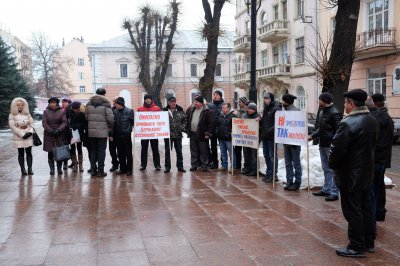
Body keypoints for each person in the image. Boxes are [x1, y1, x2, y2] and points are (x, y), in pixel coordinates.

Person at [329, 89, 379, 257]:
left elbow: (337, 150)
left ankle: (356, 246)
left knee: (353, 211)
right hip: (366, 172)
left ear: (351, 104)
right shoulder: (372, 120)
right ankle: (368, 242)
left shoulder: (348, 123)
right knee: (366, 207)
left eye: (346, 103)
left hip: (350, 175)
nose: (345, 106)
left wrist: (332, 164)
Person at [309, 92, 342, 201]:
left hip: (330, 145)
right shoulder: (323, 111)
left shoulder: (335, 112)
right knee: (326, 168)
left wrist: (331, 140)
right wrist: (312, 136)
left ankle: (334, 192)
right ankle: (326, 189)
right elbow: (321, 128)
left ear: (324, 101)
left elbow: (338, 131)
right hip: (323, 144)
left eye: (320, 100)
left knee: (332, 169)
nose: (319, 102)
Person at [369, 93, 394, 231]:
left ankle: (372, 215)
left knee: (372, 188)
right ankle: (379, 211)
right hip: (383, 158)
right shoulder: (388, 118)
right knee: (379, 186)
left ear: (373, 103)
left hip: (374, 158)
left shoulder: (374, 119)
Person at [85, 88, 114, 178]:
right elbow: (110, 119)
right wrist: (110, 127)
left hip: (91, 132)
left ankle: (93, 170)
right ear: (104, 94)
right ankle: (100, 171)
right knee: (101, 151)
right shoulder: (106, 104)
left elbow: (86, 117)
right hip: (102, 132)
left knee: (93, 150)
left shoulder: (88, 104)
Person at [186, 95, 214, 171]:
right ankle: (194, 165)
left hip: (202, 134)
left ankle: (204, 165)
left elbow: (211, 123)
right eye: (194, 102)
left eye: (196, 102)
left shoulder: (207, 110)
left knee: (203, 150)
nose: (195, 103)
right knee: (193, 150)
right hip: (193, 133)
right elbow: (187, 116)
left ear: (201, 103)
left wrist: (208, 133)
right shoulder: (192, 109)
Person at [8, 97, 35, 175]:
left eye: (22, 105)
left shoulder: (27, 114)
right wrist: (22, 134)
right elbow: (12, 126)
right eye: (18, 105)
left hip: (28, 135)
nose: (20, 106)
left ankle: (30, 168)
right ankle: (23, 169)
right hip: (19, 137)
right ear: (15, 106)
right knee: (21, 153)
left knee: (29, 152)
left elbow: (32, 123)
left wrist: (30, 132)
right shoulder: (12, 115)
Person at [42, 97, 68, 175]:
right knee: (50, 152)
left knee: (59, 152)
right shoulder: (46, 112)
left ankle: (59, 169)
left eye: (54, 102)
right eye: (51, 103)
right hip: (49, 135)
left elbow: (64, 122)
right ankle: (52, 169)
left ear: (57, 103)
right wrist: (51, 130)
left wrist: (59, 130)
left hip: (59, 135)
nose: (52, 104)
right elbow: (44, 123)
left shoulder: (61, 112)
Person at [282, 94, 302, 191]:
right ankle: (289, 180)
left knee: (296, 163)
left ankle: (297, 182)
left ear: (287, 102)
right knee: (288, 162)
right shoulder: (283, 112)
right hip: (286, 141)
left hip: (294, 142)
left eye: (283, 101)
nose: (282, 103)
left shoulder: (296, 112)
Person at [260, 92, 281, 183]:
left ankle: (273, 174)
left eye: (267, 98)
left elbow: (278, 123)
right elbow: (265, 120)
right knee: (266, 155)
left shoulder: (276, 109)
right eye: (264, 98)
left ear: (271, 99)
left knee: (272, 156)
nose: (265, 100)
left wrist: (269, 130)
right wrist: (260, 120)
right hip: (265, 136)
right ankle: (268, 172)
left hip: (272, 137)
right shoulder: (265, 108)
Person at [163, 96, 187, 173]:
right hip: (168, 135)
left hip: (178, 134)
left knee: (179, 152)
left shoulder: (180, 110)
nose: (173, 103)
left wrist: (181, 127)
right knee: (167, 152)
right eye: (172, 102)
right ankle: (167, 167)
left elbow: (185, 120)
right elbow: (160, 122)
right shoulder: (164, 111)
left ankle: (180, 166)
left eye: (174, 101)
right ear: (169, 103)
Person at [137, 94, 161, 171]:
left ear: (151, 99)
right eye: (146, 99)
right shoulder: (140, 109)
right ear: (144, 100)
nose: (147, 100)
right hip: (144, 133)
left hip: (154, 133)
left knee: (155, 149)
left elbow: (161, 119)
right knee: (144, 149)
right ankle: (143, 165)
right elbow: (137, 120)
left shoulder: (157, 108)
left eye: (149, 98)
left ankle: (157, 164)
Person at [113, 97, 134, 176]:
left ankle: (129, 169)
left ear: (121, 104)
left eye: (116, 104)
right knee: (120, 153)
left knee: (128, 153)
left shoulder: (129, 111)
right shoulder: (115, 111)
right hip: (118, 135)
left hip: (126, 135)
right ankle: (122, 168)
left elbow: (133, 122)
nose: (115, 105)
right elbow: (114, 124)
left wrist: (129, 129)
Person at [242, 102, 260, 177]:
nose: (248, 110)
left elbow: (260, 127)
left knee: (253, 155)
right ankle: (247, 168)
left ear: (254, 110)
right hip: (246, 138)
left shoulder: (258, 116)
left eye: (250, 109)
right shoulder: (245, 115)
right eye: (248, 108)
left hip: (254, 139)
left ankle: (254, 170)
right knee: (246, 154)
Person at [207, 90, 225, 169]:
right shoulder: (210, 105)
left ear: (220, 96)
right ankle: (214, 163)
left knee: (222, 147)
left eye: (217, 94)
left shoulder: (224, 105)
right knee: (213, 147)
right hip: (213, 129)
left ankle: (223, 163)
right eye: (214, 94)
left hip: (221, 129)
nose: (215, 96)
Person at [217, 103, 237, 171]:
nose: (222, 109)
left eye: (224, 107)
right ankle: (224, 165)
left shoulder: (233, 115)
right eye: (222, 107)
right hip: (221, 137)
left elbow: (236, 126)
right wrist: (217, 132)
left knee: (231, 153)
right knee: (223, 153)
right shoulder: (220, 115)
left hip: (229, 138)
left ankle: (233, 166)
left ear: (228, 108)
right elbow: (217, 125)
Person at [68, 101, 87, 172]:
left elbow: (84, 123)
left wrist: (77, 127)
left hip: (79, 133)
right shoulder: (69, 112)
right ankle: (75, 164)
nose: (75, 110)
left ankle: (80, 165)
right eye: (74, 108)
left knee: (79, 148)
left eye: (76, 108)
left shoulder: (82, 113)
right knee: (72, 148)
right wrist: (71, 127)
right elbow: (67, 122)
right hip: (71, 133)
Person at [233, 96, 248, 170]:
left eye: (240, 102)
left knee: (246, 151)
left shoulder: (248, 110)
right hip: (238, 133)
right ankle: (238, 165)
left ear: (244, 103)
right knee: (237, 150)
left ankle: (246, 165)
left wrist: (237, 114)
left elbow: (244, 119)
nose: (238, 103)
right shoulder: (237, 110)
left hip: (246, 133)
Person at [109, 97, 119, 172]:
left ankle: (121, 163)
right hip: (112, 134)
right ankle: (114, 164)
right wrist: (110, 134)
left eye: (115, 101)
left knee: (120, 150)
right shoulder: (110, 110)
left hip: (120, 134)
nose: (114, 102)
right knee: (112, 150)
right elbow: (109, 123)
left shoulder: (124, 110)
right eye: (113, 101)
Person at [61, 98, 72, 170]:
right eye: (63, 102)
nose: (63, 103)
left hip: (69, 131)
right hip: (61, 131)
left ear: (69, 103)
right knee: (63, 147)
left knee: (69, 147)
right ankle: (64, 163)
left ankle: (71, 161)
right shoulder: (60, 110)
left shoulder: (70, 110)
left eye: (65, 102)